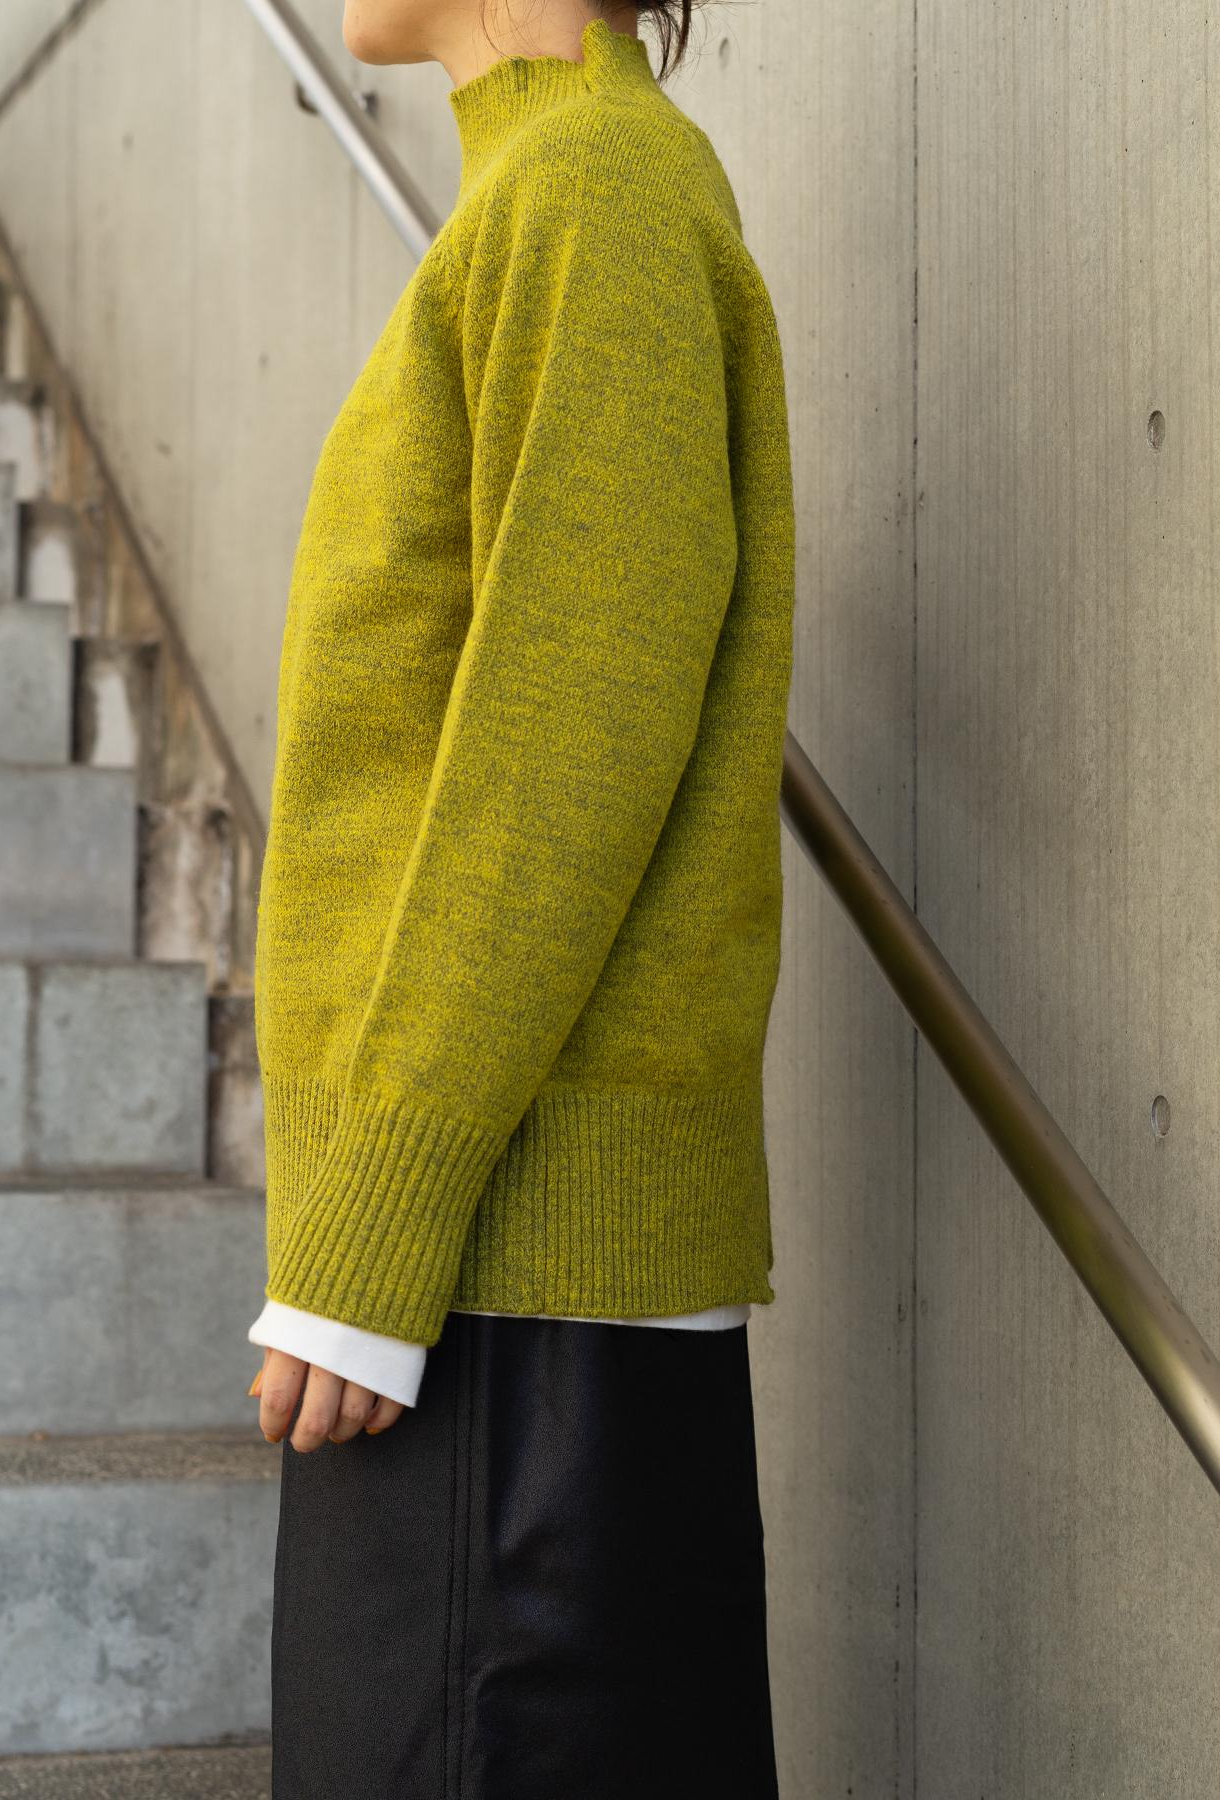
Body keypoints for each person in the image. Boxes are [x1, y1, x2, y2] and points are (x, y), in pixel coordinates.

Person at [247, 2, 795, 1792]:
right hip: (491, 1275)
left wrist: (374, 1223)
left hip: (506, 1282)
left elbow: (565, 746)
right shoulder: (547, 193)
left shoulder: (595, 192)